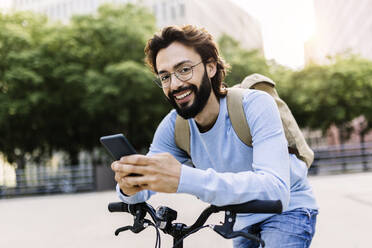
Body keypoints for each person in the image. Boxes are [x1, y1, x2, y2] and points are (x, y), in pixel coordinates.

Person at [111, 25, 318, 248]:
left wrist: (183, 178)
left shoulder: (255, 104)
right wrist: (128, 187)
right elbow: (144, 186)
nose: (175, 84)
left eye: (184, 69)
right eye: (165, 77)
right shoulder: (174, 127)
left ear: (210, 67)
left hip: (288, 211)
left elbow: (275, 189)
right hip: (240, 219)